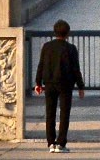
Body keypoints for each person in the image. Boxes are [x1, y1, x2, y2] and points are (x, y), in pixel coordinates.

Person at [36, 19, 87, 152]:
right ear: (67, 34)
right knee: (64, 114)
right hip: (65, 84)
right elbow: (76, 69)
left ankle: (50, 143)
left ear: (55, 32)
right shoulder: (70, 48)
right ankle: (61, 143)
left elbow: (41, 65)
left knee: (50, 113)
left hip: (49, 84)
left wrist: (38, 83)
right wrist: (81, 86)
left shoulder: (46, 47)